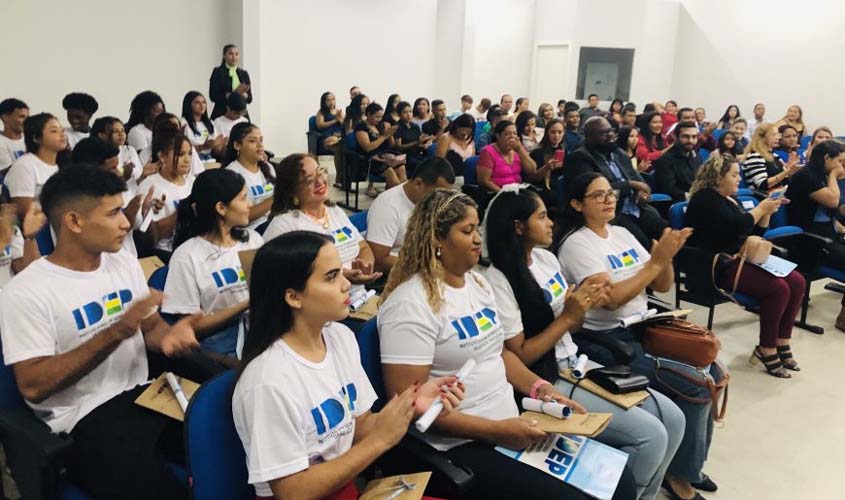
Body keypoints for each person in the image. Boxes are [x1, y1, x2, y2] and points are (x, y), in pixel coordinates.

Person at [378, 188, 637, 500]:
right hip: (461, 443)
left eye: (478, 229)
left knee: (620, 480)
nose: (478, 239)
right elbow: (410, 407)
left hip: (509, 422)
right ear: (437, 240)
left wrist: (542, 390)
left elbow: (499, 353)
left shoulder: (477, 283)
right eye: (467, 231)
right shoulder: (410, 305)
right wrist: (498, 431)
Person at [0, 164, 199, 500]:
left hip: (148, 393)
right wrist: (116, 331)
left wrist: (167, 337)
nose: (126, 223)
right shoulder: (25, 293)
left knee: (229, 441)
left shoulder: (122, 263)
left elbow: (150, 326)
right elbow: (33, 385)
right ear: (74, 222)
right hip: (85, 420)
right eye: (113, 213)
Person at [481, 186, 685, 500]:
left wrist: (579, 308)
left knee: (673, 418)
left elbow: (573, 324)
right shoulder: (498, 279)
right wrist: (568, 316)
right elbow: (520, 355)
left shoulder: (546, 260)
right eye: (541, 217)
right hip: (545, 375)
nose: (550, 223)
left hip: (576, 361)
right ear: (518, 227)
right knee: (651, 437)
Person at [232, 231, 461, 500]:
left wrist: (412, 404)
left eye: (341, 272)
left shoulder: (339, 337)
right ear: (293, 297)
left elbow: (359, 426)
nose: (346, 284)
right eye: (331, 277)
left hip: (345, 489)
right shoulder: (267, 381)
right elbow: (292, 492)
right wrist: (378, 441)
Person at [559, 172, 724, 500]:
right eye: (598, 195)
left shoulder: (621, 232)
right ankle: (679, 475)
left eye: (610, 193)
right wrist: (654, 264)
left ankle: (688, 464)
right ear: (577, 204)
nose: (609, 199)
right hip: (609, 338)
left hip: (645, 325)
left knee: (714, 371)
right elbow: (612, 299)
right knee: (695, 382)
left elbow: (662, 285)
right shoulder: (576, 243)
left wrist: (665, 258)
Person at [686, 155, 804, 378]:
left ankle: (782, 340)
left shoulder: (730, 199)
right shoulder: (705, 199)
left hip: (740, 258)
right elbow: (734, 228)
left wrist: (766, 213)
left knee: (797, 281)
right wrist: (760, 209)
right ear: (718, 177)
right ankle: (766, 347)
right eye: (734, 174)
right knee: (778, 288)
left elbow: (753, 233)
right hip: (716, 264)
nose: (739, 179)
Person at [162, 169, 263, 358]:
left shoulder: (252, 240)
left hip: (260, 332)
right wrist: (245, 305)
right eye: (243, 198)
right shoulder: (187, 256)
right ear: (221, 208)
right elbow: (190, 327)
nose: (250, 204)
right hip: (219, 346)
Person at [263, 154, 381, 296]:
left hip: (359, 296)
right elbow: (284, 278)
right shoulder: (284, 226)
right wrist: (337, 277)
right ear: (292, 191)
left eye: (320, 173)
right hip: (320, 304)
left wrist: (364, 268)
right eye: (309, 180)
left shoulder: (334, 211)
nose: (320, 182)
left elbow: (363, 247)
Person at [563, 117, 668, 250]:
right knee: (641, 243)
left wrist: (642, 192)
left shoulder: (619, 153)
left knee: (667, 233)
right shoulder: (579, 158)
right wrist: (630, 185)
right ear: (588, 137)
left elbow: (640, 181)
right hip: (611, 212)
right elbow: (592, 190)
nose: (610, 135)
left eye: (611, 131)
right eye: (603, 133)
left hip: (635, 207)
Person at [784, 141, 845, 330]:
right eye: (838, 161)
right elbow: (833, 201)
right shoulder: (806, 176)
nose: (841, 166)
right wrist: (834, 175)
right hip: (809, 239)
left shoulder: (820, 175)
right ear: (827, 158)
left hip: (827, 234)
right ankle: (843, 318)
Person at [367, 156, 455, 274]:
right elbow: (379, 260)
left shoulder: (431, 202)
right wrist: (424, 267)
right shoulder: (387, 206)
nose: (442, 200)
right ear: (418, 184)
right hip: (397, 273)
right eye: (438, 195)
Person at [137, 130, 195, 258]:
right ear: (162, 156)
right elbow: (150, 240)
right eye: (180, 154)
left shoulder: (193, 182)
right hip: (166, 254)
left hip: (193, 249)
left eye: (190, 154)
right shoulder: (149, 186)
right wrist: (184, 210)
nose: (187, 160)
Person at [5, 113, 66, 219]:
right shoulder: (24, 166)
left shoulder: (61, 166)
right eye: (54, 131)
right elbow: (24, 212)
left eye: (62, 130)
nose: (62, 135)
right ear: (36, 138)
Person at [223, 122, 276, 231]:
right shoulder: (231, 173)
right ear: (237, 145)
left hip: (274, 221)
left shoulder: (268, 167)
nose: (260, 145)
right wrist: (276, 198)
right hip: (251, 229)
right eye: (252, 141)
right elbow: (240, 216)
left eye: (261, 140)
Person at [355, 103, 407, 196]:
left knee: (401, 168)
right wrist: (384, 136)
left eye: (381, 117)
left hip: (384, 157)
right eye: (377, 117)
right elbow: (367, 148)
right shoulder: (361, 127)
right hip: (371, 159)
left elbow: (391, 145)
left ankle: (397, 195)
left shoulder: (380, 125)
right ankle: (396, 196)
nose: (379, 119)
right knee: (391, 174)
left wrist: (390, 133)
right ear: (369, 114)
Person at [92, 116, 158, 189]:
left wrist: (143, 175)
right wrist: (123, 173)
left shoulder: (130, 150)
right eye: (115, 131)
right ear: (102, 135)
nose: (121, 134)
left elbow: (136, 181)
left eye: (123, 130)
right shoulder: (96, 155)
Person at [477, 121, 538, 192]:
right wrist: (502, 193)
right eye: (507, 134)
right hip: (497, 191)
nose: (512, 137)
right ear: (498, 136)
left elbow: (532, 170)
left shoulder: (518, 150)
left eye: (515, 133)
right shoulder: (488, 152)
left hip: (517, 189)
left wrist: (520, 150)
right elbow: (483, 180)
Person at [139, 113, 206, 178]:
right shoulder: (146, 152)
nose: (177, 130)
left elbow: (200, 175)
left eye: (178, 126)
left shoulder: (187, 147)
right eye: (180, 154)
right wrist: (143, 175)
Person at [742, 123, 800, 192]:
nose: (777, 138)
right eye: (773, 135)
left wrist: (792, 171)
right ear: (762, 138)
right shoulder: (754, 157)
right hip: (763, 195)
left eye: (778, 134)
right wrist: (788, 171)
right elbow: (763, 184)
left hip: (780, 192)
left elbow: (785, 180)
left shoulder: (775, 156)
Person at [654, 121, 703, 201]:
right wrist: (691, 196)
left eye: (694, 137)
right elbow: (668, 189)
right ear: (675, 137)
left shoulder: (697, 157)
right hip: (679, 201)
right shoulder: (665, 160)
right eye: (686, 136)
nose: (690, 140)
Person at [209, 43, 252, 120]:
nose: (234, 57)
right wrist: (234, 93)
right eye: (230, 54)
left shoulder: (244, 73)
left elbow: (250, 99)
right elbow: (213, 96)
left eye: (236, 54)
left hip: (241, 113)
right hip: (222, 113)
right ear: (224, 56)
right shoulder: (218, 72)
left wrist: (245, 95)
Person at [181, 91, 226, 160]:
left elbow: (215, 152)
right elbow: (181, 149)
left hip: (209, 158)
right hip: (192, 158)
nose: (202, 106)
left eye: (204, 102)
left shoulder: (210, 123)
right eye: (197, 103)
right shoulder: (183, 123)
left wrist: (220, 145)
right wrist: (202, 147)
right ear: (189, 105)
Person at [393, 101, 432, 171]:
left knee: (432, 162)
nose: (408, 114)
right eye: (405, 112)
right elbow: (398, 147)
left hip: (418, 154)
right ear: (399, 114)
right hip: (405, 156)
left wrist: (427, 142)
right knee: (422, 165)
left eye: (410, 112)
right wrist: (416, 143)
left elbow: (420, 142)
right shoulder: (397, 127)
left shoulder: (415, 126)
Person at [0, 98, 28, 173]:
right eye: (22, 117)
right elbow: (6, 173)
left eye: (27, 118)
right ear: (5, 117)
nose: (27, 121)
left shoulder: (31, 138)